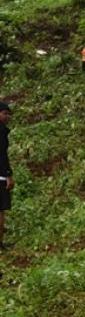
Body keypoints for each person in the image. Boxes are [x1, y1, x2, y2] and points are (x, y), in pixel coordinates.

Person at [0, 102, 13, 250]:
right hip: (0, 177)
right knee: (0, 210)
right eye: (5, 113)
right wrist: (8, 174)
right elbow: (2, 154)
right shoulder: (1, 131)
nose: (7, 117)